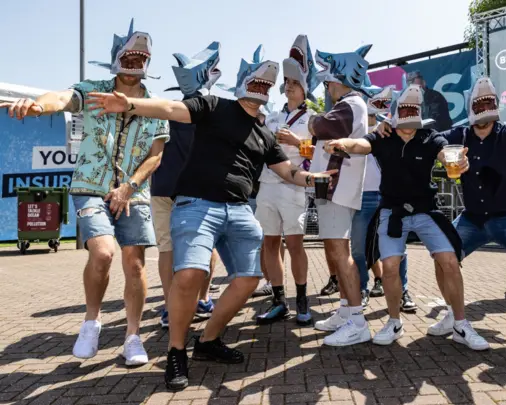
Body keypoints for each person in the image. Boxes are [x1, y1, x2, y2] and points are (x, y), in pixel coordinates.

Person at [85, 44, 336, 391]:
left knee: (248, 279)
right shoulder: (214, 105)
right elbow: (172, 108)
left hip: (239, 211)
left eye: (268, 84)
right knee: (189, 274)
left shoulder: (264, 133)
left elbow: (287, 171)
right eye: (258, 80)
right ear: (242, 82)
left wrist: (312, 178)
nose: (263, 85)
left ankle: (208, 340)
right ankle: (176, 352)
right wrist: (129, 103)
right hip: (196, 204)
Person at [0, 19, 169, 365]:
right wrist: (36, 106)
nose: (135, 63)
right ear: (117, 58)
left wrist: (129, 186)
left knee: (134, 263)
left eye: (142, 59)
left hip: (133, 191)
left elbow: (156, 156)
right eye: (130, 56)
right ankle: (91, 322)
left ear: (147, 65)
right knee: (104, 253)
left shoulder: (155, 107)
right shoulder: (92, 90)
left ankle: (133, 337)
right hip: (90, 186)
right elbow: (61, 98)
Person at [378, 77, 506, 358]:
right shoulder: (459, 134)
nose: (484, 103)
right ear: (472, 106)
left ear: (495, 105)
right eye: (480, 101)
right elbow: (427, 139)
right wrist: (389, 127)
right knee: (444, 257)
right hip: (473, 217)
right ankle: (455, 316)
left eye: (489, 101)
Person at [326, 75, 490, 350]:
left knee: (449, 260)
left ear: (418, 113)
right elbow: (361, 145)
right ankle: (394, 322)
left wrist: (458, 162)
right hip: (393, 211)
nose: (409, 114)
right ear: (396, 113)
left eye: (414, 110)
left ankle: (460, 323)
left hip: (427, 210)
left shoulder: (429, 136)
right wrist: (343, 142)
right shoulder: (384, 135)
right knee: (390, 265)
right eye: (405, 109)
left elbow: (444, 154)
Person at [152, 41, 224, 329]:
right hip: (196, 190)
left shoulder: (166, 109)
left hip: (163, 187)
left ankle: (173, 307)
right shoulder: (211, 110)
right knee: (205, 247)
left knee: (167, 250)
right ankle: (202, 300)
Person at [309, 45, 373, 346]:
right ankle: (347, 310)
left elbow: (322, 125)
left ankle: (358, 321)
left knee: (340, 253)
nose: (327, 87)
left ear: (339, 79)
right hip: (334, 187)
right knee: (337, 251)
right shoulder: (353, 103)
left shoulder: (350, 103)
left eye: (328, 81)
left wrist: (310, 120)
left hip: (337, 187)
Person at [255, 35, 319, 325]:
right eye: (287, 84)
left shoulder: (313, 118)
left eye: (293, 84)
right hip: (267, 186)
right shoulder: (272, 117)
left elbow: (319, 154)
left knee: (295, 245)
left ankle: (302, 298)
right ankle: (279, 300)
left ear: (303, 88)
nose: (288, 87)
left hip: (294, 187)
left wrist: (297, 140)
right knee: (270, 243)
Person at [353, 80, 415, 311]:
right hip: (360, 197)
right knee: (358, 249)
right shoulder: (353, 126)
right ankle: (361, 288)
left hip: (388, 197)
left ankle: (403, 291)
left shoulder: (390, 127)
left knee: (397, 249)